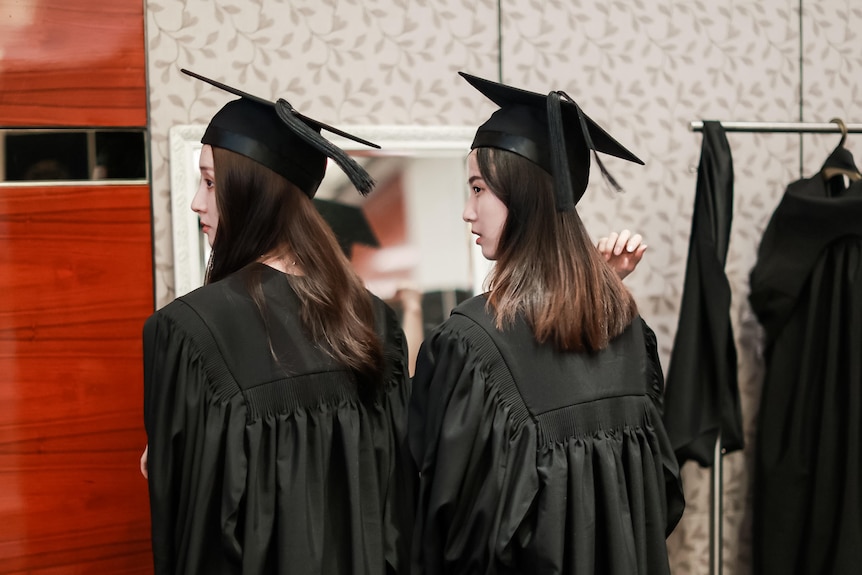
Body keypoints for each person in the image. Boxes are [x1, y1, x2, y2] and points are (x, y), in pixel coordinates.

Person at [408, 72, 684, 575]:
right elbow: (657, 494)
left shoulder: (469, 344)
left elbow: (447, 525)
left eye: (478, 189)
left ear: (524, 194)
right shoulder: (627, 330)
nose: (468, 212)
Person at [142, 70, 413, 575]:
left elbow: (199, 537)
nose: (198, 203)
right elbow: (400, 507)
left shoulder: (188, 333)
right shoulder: (374, 318)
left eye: (209, 183)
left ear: (252, 193)